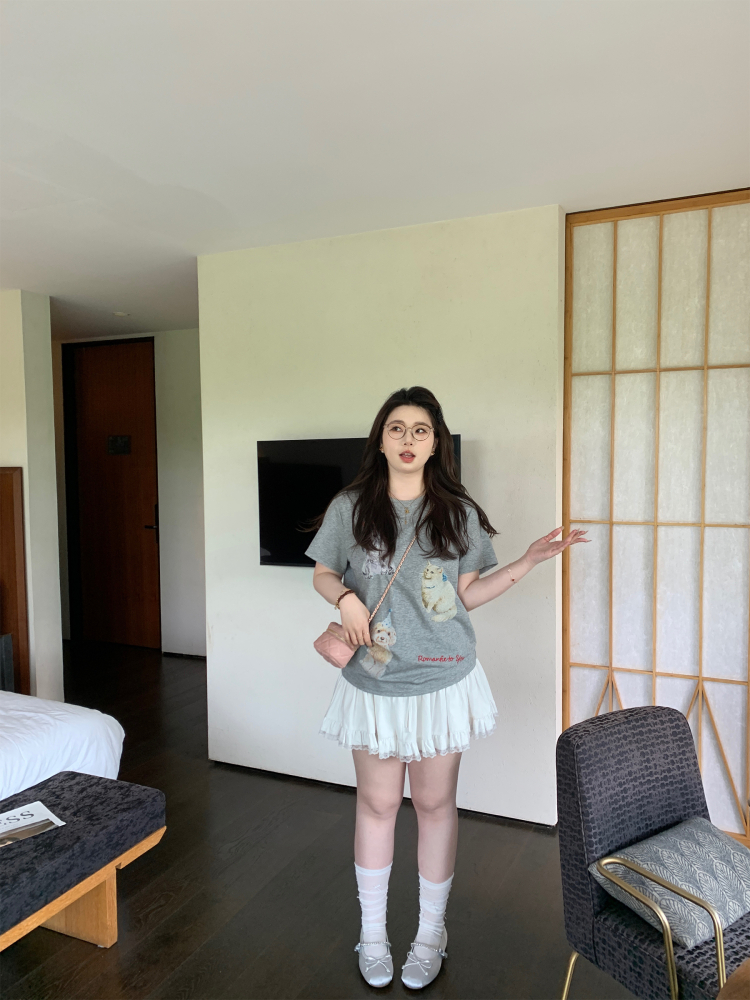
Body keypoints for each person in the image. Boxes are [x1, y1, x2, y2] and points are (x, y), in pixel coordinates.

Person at [306, 386, 587, 989]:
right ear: (381, 440)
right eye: (397, 428)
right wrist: (346, 596)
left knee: (435, 806)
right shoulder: (350, 507)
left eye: (421, 430)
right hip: (375, 682)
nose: (408, 440)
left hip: (442, 678)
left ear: (436, 444)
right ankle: (372, 935)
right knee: (377, 805)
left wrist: (529, 560)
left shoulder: (456, 513)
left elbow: (465, 596)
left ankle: (431, 933)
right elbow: (323, 572)